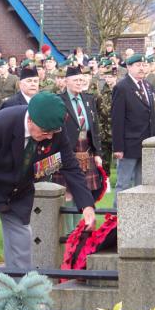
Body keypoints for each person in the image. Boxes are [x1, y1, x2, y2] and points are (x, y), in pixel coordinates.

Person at [0, 91, 97, 290]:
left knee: (22, 256)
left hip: (18, 194)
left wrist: (86, 205)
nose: (49, 137)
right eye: (45, 131)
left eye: (53, 132)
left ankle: (19, 306)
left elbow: (70, 166)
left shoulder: (55, 130)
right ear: (30, 119)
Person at [52, 66, 102, 231]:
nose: (79, 83)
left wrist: (97, 152)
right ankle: (69, 234)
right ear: (66, 81)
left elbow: (94, 128)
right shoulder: (58, 100)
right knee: (68, 195)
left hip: (86, 149)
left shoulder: (88, 99)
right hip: (68, 151)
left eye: (81, 79)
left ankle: (82, 230)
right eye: (75, 80)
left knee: (84, 192)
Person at [111, 53, 155, 207]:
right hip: (128, 145)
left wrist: (153, 142)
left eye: (144, 65)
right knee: (123, 185)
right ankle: (115, 221)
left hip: (146, 144)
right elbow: (117, 119)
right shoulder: (122, 87)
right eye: (138, 65)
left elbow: (151, 116)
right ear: (129, 67)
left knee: (141, 185)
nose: (142, 68)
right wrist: (118, 147)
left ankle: (137, 217)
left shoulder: (148, 86)